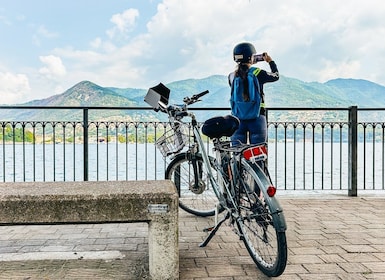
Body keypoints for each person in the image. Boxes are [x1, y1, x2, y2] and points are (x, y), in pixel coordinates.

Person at [228, 42, 279, 145]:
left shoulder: (232, 76)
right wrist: (270, 61)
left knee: (237, 153)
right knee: (258, 153)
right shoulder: (257, 73)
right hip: (257, 117)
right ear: (251, 57)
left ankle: (237, 161)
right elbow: (276, 76)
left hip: (237, 119)